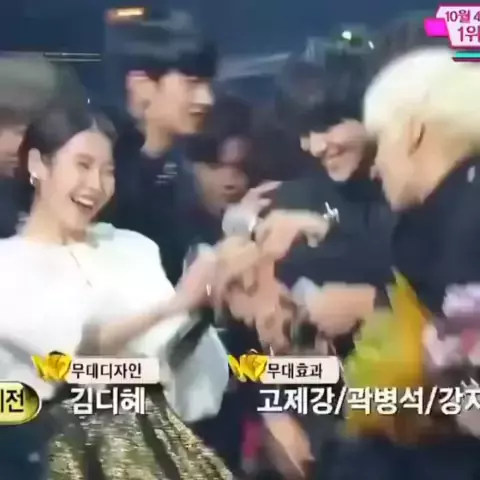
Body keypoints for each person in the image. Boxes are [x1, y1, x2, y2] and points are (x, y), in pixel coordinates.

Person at [0, 100, 231, 479]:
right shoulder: (7, 265)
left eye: (107, 171)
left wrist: (203, 305)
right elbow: (68, 357)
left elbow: (176, 360)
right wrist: (174, 306)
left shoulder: (132, 248)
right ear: (38, 165)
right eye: (83, 165)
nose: (96, 185)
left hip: (157, 448)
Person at [298, 47, 480, 480]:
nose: (376, 166)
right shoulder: (442, 215)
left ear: (414, 132)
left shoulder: (466, 226)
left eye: (379, 144)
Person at [110, 11, 217, 284]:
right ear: (142, 86)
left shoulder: (178, 167)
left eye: (207, 84)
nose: (207, 98)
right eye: (192, 84)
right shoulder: (107, 175)